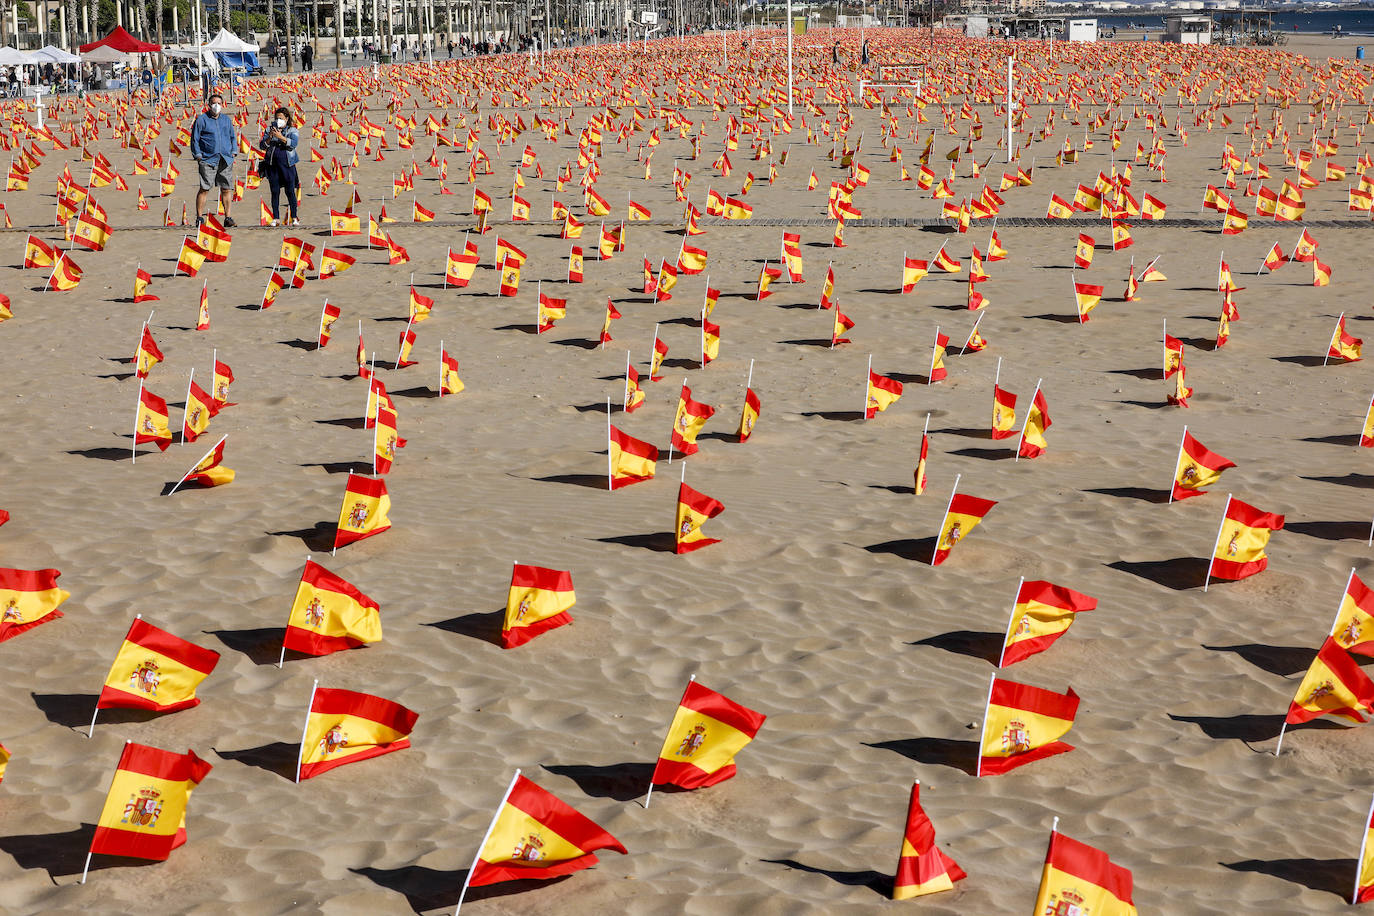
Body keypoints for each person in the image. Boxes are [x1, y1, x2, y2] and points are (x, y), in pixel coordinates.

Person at [191, 92, 237, 227]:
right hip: (208, 159)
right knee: (204, 188)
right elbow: (195, 139)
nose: (217, 106)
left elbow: (232, 136)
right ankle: (199, 217)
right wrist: (198, 155)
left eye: (219, 103)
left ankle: (228, 217)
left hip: (226, 159)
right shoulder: (201, 120)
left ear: (223, 105)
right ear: (209, 105)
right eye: (214, 103)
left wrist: (233, 151)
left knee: (226, 189)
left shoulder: (226, 120)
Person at [259, 106, 300, 227]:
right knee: (275, 191)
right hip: (273, 165)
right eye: (277, 118)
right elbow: (262, 146)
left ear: (287, 119)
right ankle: (276, 217)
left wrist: (281, 137)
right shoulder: (269, 130)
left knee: (290, 191)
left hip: (287, 164)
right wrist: (271, 136)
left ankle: (294, 217)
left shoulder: (292, 130)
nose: (279, 121)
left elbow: (293, 144)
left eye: (281, 118)